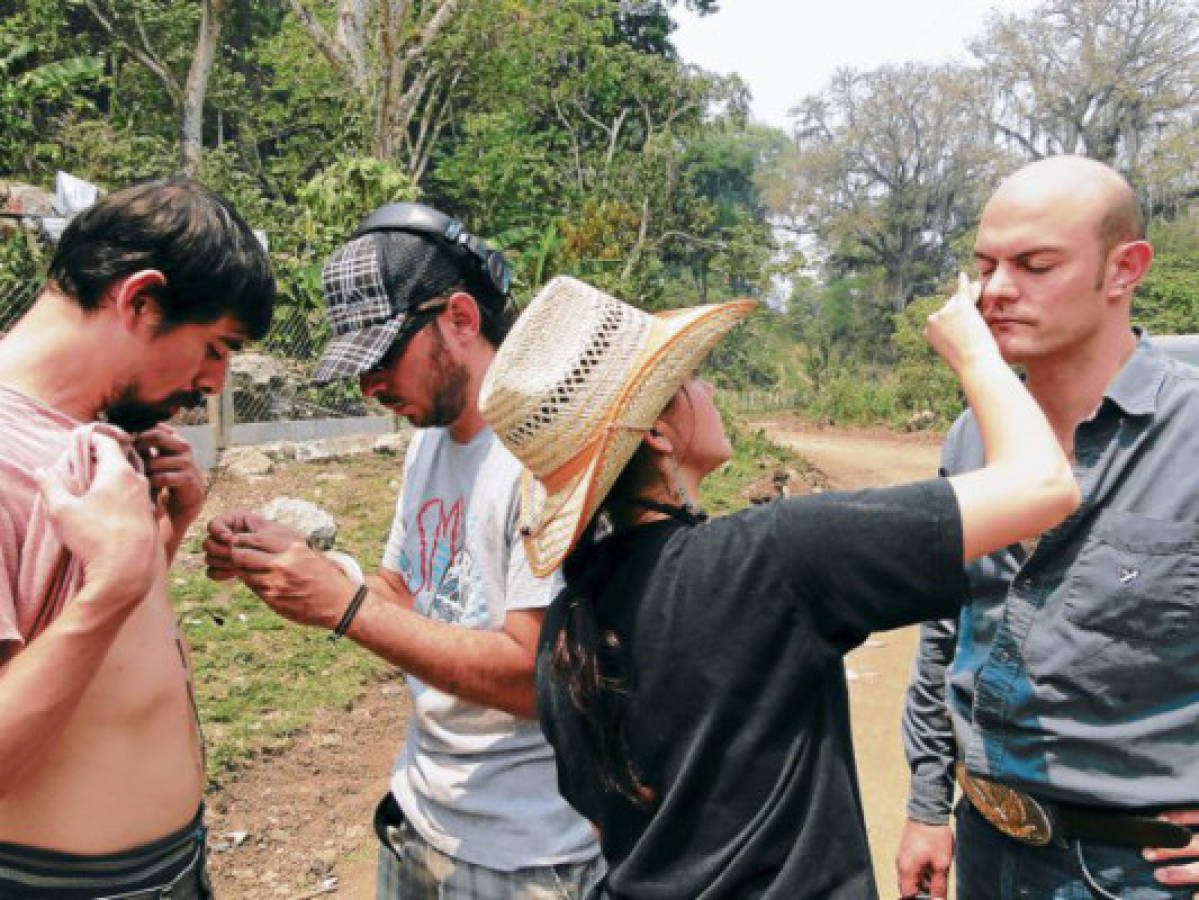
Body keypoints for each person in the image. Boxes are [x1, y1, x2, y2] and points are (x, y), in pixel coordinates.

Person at [474, 272, 1079, 899]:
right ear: (657, 432)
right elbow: (1043, 486)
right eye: (686, 381)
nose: (706, 387)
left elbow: (608, 823)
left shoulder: (564, 632)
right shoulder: (766, 559)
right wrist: (975, 352)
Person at [204, 203, 602, 898]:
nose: (369, 388)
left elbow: (534, 679)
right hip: (419, 818)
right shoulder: (429, 441)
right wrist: (300, 567)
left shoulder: (542, 455)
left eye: (383, 356)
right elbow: (406, 592)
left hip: (525, 854)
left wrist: (345, 607)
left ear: (460, 318)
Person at [896, 155, 1199, 900]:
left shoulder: (1189, 432)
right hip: (987, 841)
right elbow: (948, 629)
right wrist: (928, 805)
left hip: (1139, 870)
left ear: (1123, 270)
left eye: (1033, 265)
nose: (996, 292)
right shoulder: (973, 434)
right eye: (984, 265)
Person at [0, 178, 275, 897]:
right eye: (216, 347)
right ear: (140, 299)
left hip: (169, 868)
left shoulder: (101, 430)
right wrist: (117, 586)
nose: (216, 380)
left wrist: (161, 536)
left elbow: (82, 649)